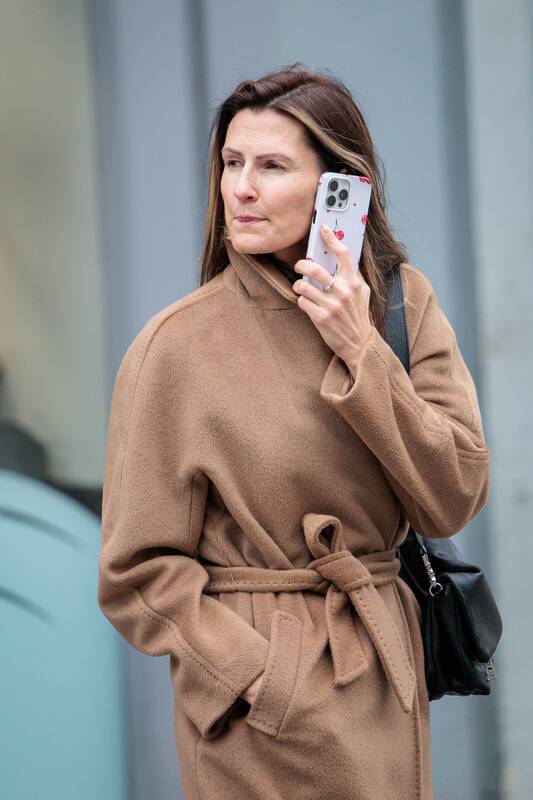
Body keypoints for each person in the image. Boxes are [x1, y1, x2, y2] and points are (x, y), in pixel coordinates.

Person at [97, 63, 491, 800]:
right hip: (261, 720)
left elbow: (452, 498)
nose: (240, 189)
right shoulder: (176, 348)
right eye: (232, 162)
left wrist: (362, 352)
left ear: (339, 186)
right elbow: (136, 573)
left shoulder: (400, 306)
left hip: (384, 672)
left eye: (272, 166)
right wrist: (261, 678)